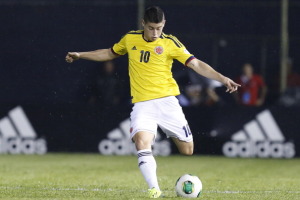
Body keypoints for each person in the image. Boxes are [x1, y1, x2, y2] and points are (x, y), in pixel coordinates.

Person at [65, 6, 240, 198]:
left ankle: (166, 140)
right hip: (143, 104)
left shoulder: (170, 42)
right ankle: (154, 189)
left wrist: (222, 78)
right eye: (151, 28)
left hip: (168, 103)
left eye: (159, 28)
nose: (155, 32)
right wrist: (81, 55)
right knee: (141, 142)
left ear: (164, 24)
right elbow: (108, 53)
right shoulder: (130, 38)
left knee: (187, 150)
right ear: (143, 24)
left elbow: (196, 64)